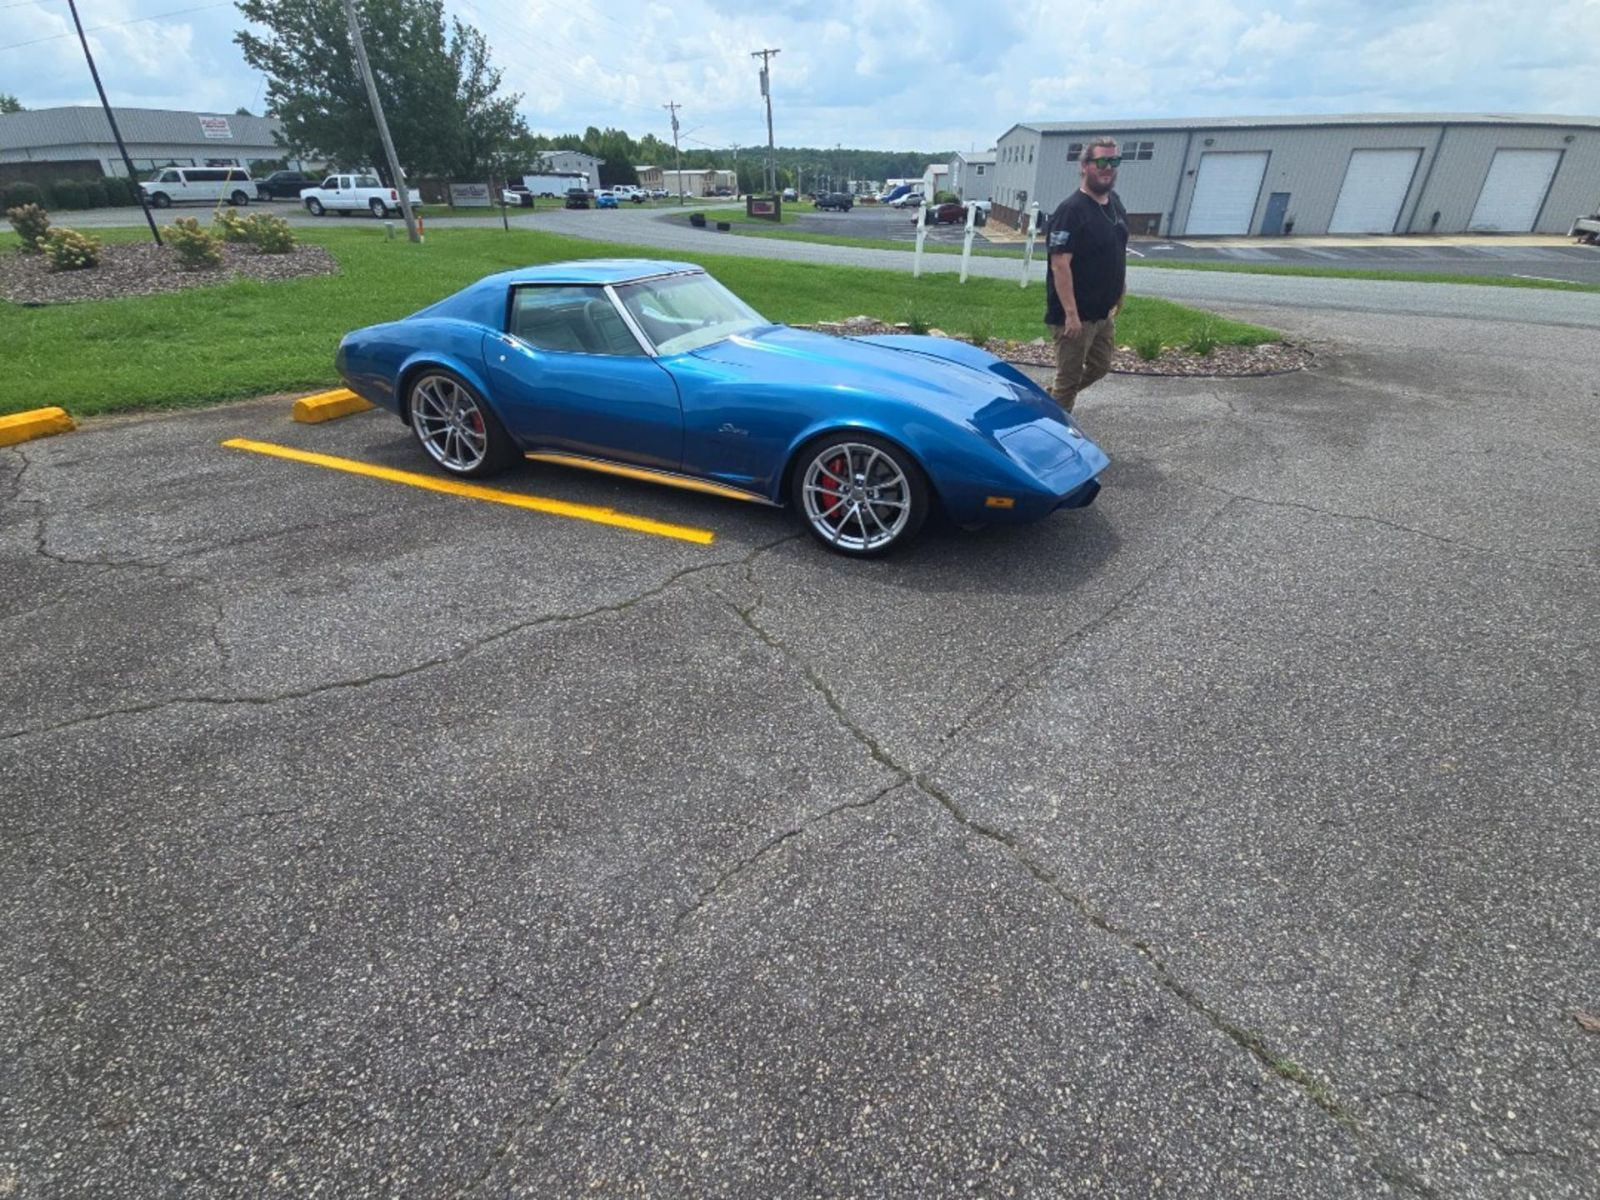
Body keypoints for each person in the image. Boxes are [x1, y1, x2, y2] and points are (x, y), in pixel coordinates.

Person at [1044, 139, 1128, 413]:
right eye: (1102, 162)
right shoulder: (1071, 211)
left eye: (1113, 162)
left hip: (1103, 313)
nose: (1108, 168)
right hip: (1075, 317)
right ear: (1084, 166)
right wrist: (1071, 314)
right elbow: (1060, 264)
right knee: (1068, 381)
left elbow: (1116, 250)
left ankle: (1048, 400)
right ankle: (1055, 437)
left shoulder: (1114, 203)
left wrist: (1120, 290)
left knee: (1100, 367)